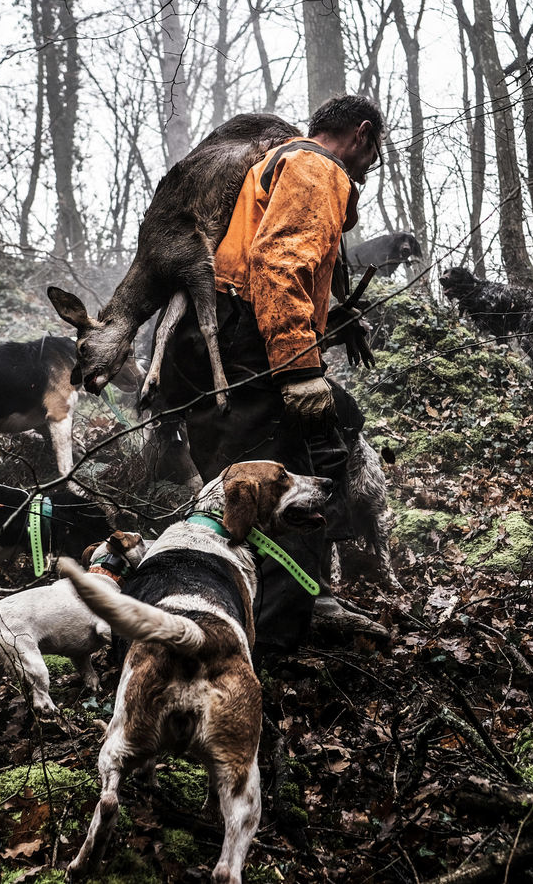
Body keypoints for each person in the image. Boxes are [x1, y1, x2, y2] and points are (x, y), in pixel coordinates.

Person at [155, 93, 386, 654]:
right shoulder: (315, 166)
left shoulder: (278, 165)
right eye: (372, 151)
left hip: (213, 338)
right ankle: (273, 653)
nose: (370, 165)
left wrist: (330, 315)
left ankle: (298, 603)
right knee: (287, 491)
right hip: (245, 341)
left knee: (315, 451)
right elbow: (277, 264)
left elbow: (259, 262)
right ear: (359, 134)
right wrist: (299, 367)